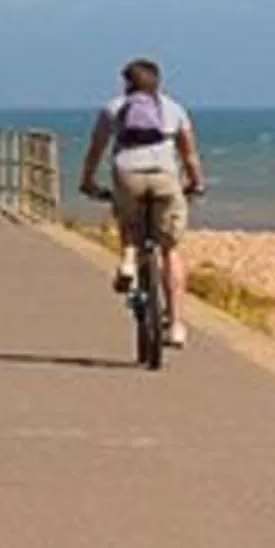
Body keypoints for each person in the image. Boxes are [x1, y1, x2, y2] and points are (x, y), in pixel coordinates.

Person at [78, 58, 205, 349]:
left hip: (127, 174)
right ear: (158, 82)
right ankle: (176, 325)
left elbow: (96, 149)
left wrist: (87, 181)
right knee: (170, 249)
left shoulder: (113, 108)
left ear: (127, 84)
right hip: (165, 177)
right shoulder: (174, 109)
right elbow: (189, 155)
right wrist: (196, 183)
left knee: (127, 216)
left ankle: (128, 259)